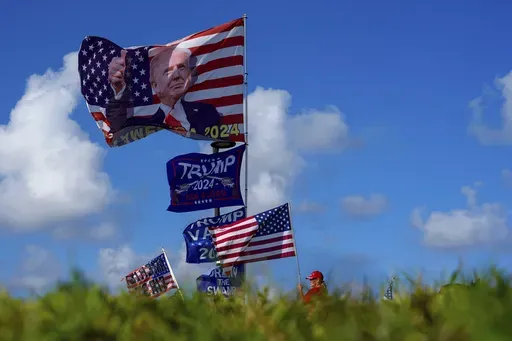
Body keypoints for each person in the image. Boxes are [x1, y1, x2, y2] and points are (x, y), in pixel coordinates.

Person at [106, 45, 221, 136]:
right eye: (168, 72)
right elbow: (117, 126)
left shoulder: (208, 112)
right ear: (155, 86)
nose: (176, 76)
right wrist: (118, 91)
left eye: (181, 68)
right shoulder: (145, 120)